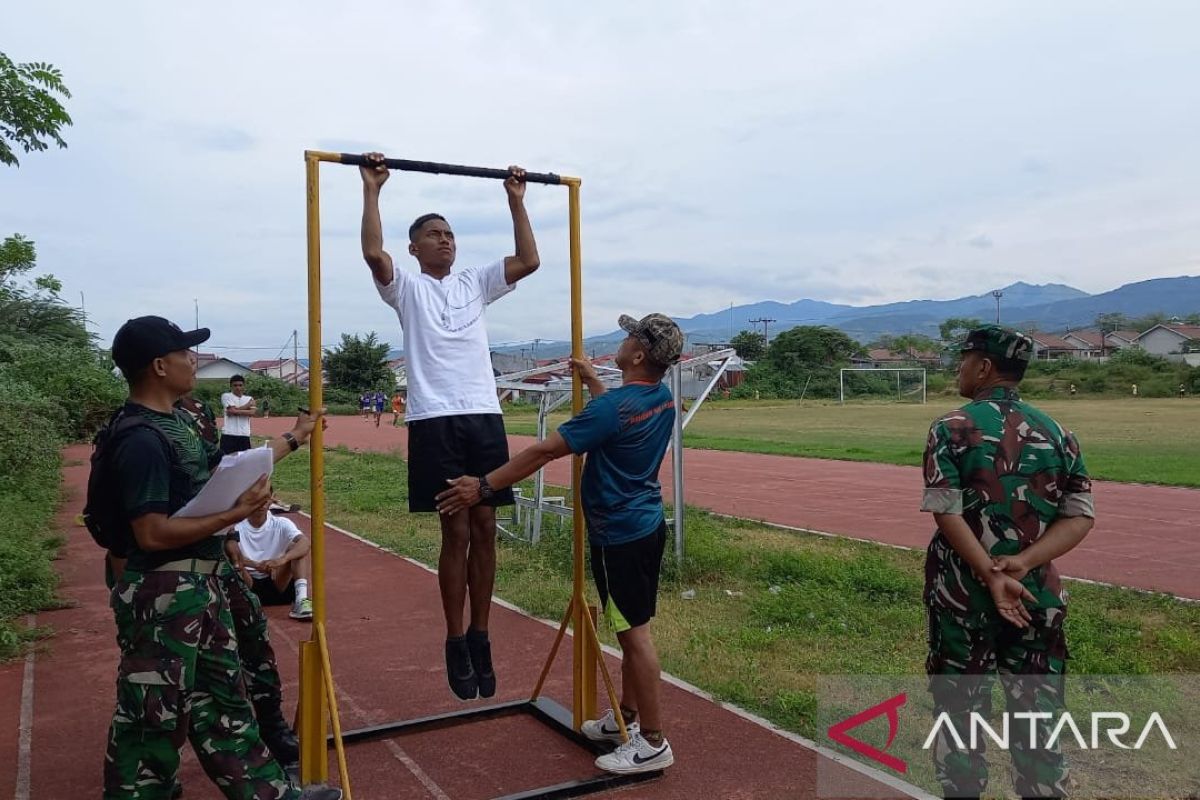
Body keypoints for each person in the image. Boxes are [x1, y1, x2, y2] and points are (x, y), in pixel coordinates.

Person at [436, 312, 683, 775]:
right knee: (629, 626)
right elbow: (618, 418)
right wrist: (593, 383)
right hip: (644, 526)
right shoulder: (660, 397)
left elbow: (545, 450)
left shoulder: (612, 409)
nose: (624, 340)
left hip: (620, 536)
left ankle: (652, 741)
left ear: (639, 353)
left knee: (634, 635)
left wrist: (483, 487)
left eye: (631, 336)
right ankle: (625, 717)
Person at [102, 315, 338, 800]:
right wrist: (235, 512)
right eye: (187, 353)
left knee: (224, 702)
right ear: (159, 366)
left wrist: (296, 436)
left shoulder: (177, 424)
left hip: (201, 587)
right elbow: (150, 533)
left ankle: (270, 794)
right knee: (152, 720)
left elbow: (227, 469)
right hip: (162, 595)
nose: (195, 360)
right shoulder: (140, 439)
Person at [359, 151, 540, 700]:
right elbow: (373, 251)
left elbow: (528, 261)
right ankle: (455, 638)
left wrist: (515, 200)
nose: (446, 241)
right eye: (434, 235)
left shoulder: (474, 282)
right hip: (435, 420)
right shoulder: (406, 289)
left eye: (451, 234)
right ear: (415, 248)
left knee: (486, 529)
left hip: (483, 415)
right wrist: (373, 189)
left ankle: (482, 635)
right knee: (455, 531)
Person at [921, 325, 1095, 800]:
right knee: (1039, 714)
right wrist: (1022, 562)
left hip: (963, 599)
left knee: (960, 711)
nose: (959, 368)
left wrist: (988, 573)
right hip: (1035, 595)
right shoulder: (1059, 433)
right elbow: (1080, 517)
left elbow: (945, 508)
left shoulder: (951, 428)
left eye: (964, 360)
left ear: (984, 367)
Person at [228, 496, 314, 621]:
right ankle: (239, 603)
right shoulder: (236, 527)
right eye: (258, 499)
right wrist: (257, 565)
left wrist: (281, 560)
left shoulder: (282, 523)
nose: (262, 504)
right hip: (248, 583)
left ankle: (301, 600)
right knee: (231, 553)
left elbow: (305, 543)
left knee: (296, 548)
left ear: (272, 500)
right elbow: (227, 552)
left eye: (266, 499)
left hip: (278, 582)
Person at [221, 374, 256, 454]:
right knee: (227, 462)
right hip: (229, 434)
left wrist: (234, 411)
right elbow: (232, 411)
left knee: (244, 462)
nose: (238, 388)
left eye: (240, 385)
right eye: (235, 385)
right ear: (231, 386)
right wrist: (247, 406)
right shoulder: (226, 396)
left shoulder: (249, 398)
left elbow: (252, 412)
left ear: (244, 386)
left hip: (244, 434)